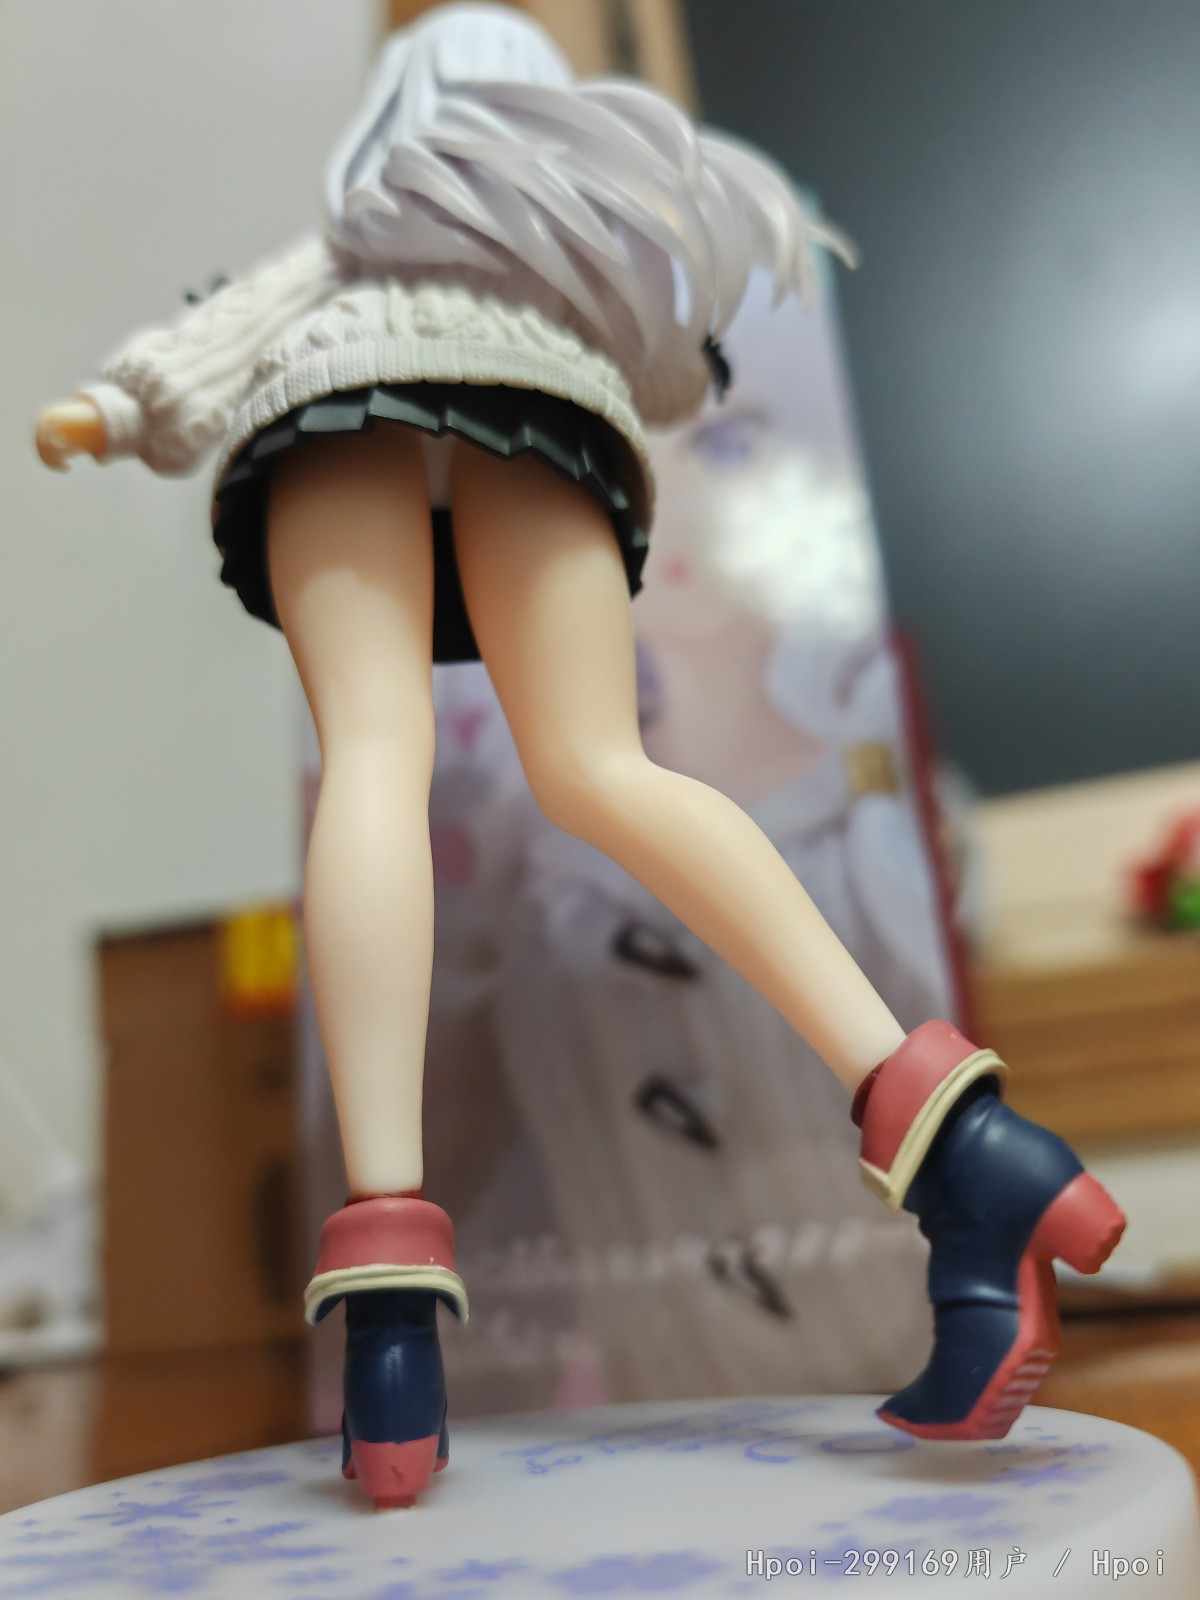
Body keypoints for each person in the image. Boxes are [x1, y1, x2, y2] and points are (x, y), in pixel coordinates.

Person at [36, 3, 1123, 1510]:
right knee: (608, 772)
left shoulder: (358, 242)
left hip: (335, 401)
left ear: (398, 110)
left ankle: (390, 1322)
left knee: (373, 762)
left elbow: (217, 341)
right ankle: (972, 1150)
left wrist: (116, 407)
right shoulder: (562, 267)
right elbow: (671, 386)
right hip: (543, 407)